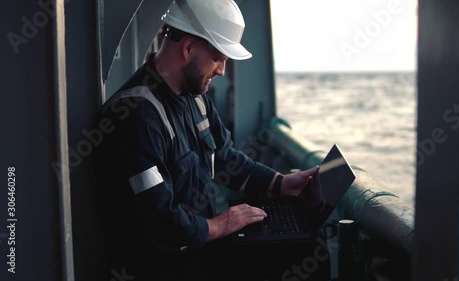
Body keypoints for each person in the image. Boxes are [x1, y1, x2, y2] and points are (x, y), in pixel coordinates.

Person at [92, 0, 323, 280]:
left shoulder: (195, 98)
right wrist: (220, 225)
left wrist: (281, 183)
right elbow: (159, 222)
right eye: (219, 59)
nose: (222, 71)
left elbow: (225, 159)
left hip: (197, 252)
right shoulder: (135, 117)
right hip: (163, 268)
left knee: (301, 249)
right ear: (189, 48)